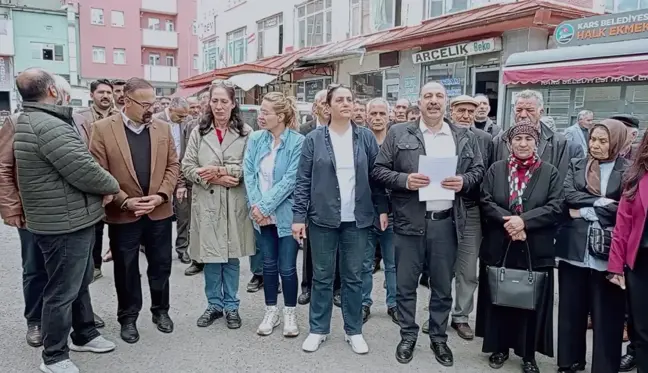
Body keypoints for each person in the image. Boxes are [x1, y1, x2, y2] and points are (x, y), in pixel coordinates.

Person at [14, 68, 120, 373]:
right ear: (50, 91)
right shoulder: (48, 125)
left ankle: (84, 333)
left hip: (71, 218)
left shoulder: (36, 120)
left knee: (79, 282)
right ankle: (54, 355)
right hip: (63, 223)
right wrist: (112, 186)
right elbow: (84, 169)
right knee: (61, 290)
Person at [372, 81, 484, 366]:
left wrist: (464, 182)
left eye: (438, 96)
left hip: (446, 223)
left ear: (446, 102)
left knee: (442, 287)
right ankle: (408, 334)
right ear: (418, 102)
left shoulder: (462, 135)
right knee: (406, 285)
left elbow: (478, 171)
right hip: (410, 221)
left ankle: (438, 337)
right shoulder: (399, 133)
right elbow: (379, 170)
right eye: (427, 96)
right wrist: (404, 180)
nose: (433, 101)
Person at [293, 84, 387, 354]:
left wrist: (382, 209)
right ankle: (318, 329)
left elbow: (376, 177)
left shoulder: (366, 137)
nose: (347, 104)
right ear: (329, 106)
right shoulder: (314, 138)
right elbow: (303, 181)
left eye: (350, 99)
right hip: (323, 218)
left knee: (354, 276)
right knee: (322, 277)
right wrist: (299, 216)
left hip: (357, 219)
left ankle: (354, 330)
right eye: (340, 99)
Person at [89, 77, 180, 344]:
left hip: (158, 211)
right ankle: (128, 318)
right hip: (123, 213)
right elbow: (97, 172)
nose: (151, 108)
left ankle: (160, 311)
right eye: (145, 104)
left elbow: (173, 166)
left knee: (161, 265)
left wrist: (161, 195)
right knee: (126, 268)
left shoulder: (163, 129)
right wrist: (124, 200)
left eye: (154, 102)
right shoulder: (102, 129)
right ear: (126, 102)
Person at [476, 120, 563, 373]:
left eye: (528, 139)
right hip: (500, 244)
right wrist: (511, 225)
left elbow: (556, 206)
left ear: (536, 143)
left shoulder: (549, 172)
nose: (523, 144)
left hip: (534, 246)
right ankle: (499, 347)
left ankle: (528, 355)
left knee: (529, 301)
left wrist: (523, 222)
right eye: (517, 139)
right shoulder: (496, 169)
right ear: (509, 142)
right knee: (500, 298)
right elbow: (486, 200)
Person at [555, 119, 629, 373]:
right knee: (570, 310)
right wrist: (600, 204)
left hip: (610, 253)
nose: (595, 145)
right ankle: (569, 360)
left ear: (616, 142)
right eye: (593, 139)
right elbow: (568, 197)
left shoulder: (628, 171)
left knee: (607, 313)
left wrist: (586, 211)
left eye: (602, 141)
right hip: (574, 249)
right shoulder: (577, 165)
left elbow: (625, 210)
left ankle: (604, 366)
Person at [182, 81, 254, 330]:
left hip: (233, 203)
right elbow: (187, 166)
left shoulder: (246, 132)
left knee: (231, 257)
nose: (219, 106)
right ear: (208, 103)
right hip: (207, 202)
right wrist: (210, 177)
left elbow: (249, 167)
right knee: (211, 258)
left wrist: (223, 171)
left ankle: (232, 306)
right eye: (215, 101)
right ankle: (214, 304)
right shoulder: (198, 132)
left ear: (233, 103)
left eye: (224, 101)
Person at [243, 92, 304, 337]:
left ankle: (290, 312)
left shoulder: (297, 142)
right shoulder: (256, 138)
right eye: (261, 111)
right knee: (268, 266)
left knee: (287, 267)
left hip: (286, 214)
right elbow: (249, 173)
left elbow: (290, 180)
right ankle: (271, 311)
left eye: (265, 112)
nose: (261, 116)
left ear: (280, 116)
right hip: (261, 215)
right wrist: (257, 208)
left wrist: (265, 206)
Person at [444, 95, 492, 340]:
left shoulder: (484, 139)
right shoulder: (440, 134)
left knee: (467, 268)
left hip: (471, 208)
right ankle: (438, 314)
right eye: (460, 110)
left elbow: (488, 175)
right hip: (442, 208)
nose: (465, 115)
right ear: (451, 110)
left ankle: (461, 316)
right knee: (440, 267)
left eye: (470, 111)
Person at [297, 89, 342, 307]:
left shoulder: (342, 130)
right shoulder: (305, 131)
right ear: (315, 107)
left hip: (337, 199)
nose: (326, 107)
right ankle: (307, 287)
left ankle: (337, 288)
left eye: (328, 102)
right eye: (322, 103)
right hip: (313, 198)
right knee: (310, 248)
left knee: (339, 248)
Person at [609, 130, 648, 373]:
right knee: (642, 325)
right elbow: (622, 225)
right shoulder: (636, 178)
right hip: (641, 261)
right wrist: (615, 266)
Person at [362, 98, 397, 324]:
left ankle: (393, 304)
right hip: (365, 212)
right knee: (364, 262)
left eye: (381, 113)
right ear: (366, 116)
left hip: (393, 212)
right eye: (373, 113)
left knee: (393, 263)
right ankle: (364, 302)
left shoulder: (396, 141)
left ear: (389, 116)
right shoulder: (360, 141)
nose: (377, 118)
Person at [492, 90, 569, 180]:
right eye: (519, 110)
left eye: (530, 110)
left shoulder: (558, 142)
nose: (523, 115)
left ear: (541, 112)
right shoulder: (499, 140)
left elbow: (561, 179)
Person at [153, 97, 191, 264]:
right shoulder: (156, 121)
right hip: (161, 174)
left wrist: (181, 181)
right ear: (171, 108)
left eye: (185, 116)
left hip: (181, 171)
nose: (184, 119)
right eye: (180, 116)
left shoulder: (187, 122)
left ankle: (182, 248)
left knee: (184, 214)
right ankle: (157, 249)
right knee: (160, 214)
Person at [183, 90, 211, 277]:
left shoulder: (235, 127)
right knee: (196, 225)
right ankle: (197, 260)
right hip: (196, 181)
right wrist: (182, 183)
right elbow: (185, 157)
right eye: (206, 102)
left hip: (221, 184)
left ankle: (212, 259)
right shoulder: (193, 126)